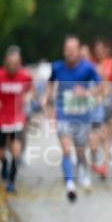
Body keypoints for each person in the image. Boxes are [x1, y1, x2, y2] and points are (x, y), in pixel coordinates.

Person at [44, 35, 101, 201]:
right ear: (64, 51)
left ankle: (83, 170)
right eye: (67, 50)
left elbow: (101, 86)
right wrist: (47, 97)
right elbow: (50, 83)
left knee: (80, 150)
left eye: (73, 50)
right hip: (63, 113)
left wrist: (87, 93)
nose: (70, 53)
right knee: (66, 149)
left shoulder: (88, 68)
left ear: (78, 51)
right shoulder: (57, 67)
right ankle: (69, 183)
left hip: (82, 115)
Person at [0, 46, 34, 193]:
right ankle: (4, 163)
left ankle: (11, 182)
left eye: (16, 64)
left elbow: (31, 90)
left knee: (16, 151)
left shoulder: (25, 76)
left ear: (20, 63)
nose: (13, 67)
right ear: (5, 62)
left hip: (17, 119)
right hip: (0, 119)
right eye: (10, 64)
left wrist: (28, 96)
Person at [92, 38, 112, 179]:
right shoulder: (92, 64)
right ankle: (97, 158)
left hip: (108, 101)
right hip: (96, 102)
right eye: (97, 49)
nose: (99, 52)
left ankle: (105, 165)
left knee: (105, 133)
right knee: (97, 133)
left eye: (101, 49)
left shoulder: (111, 63)